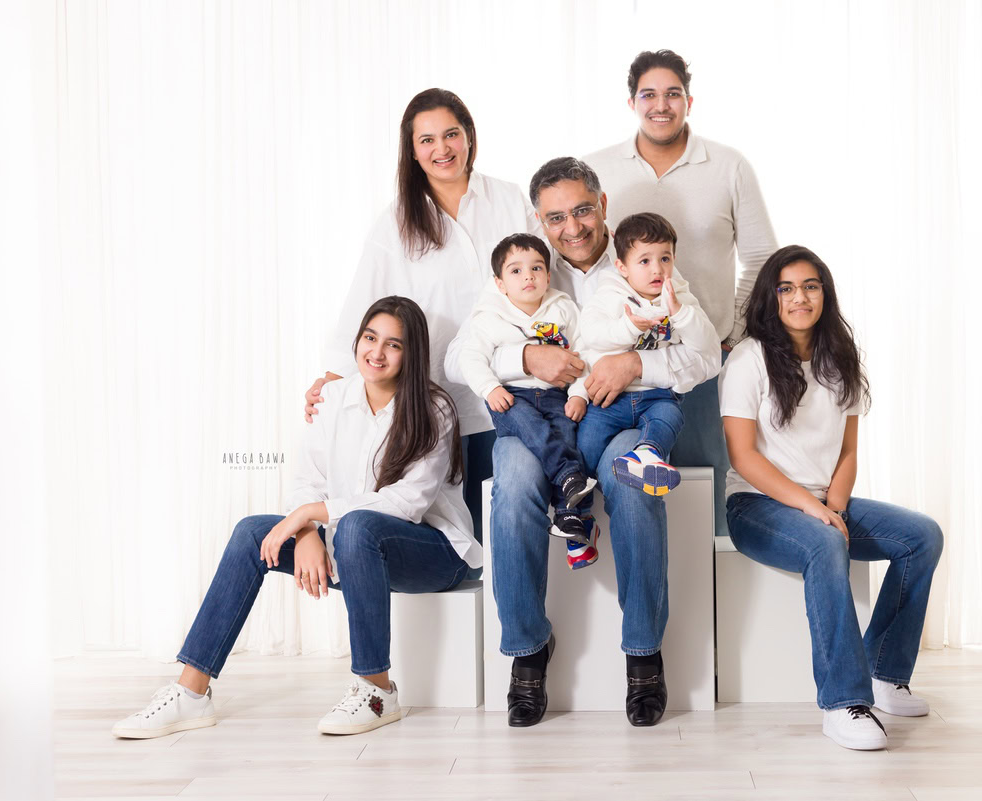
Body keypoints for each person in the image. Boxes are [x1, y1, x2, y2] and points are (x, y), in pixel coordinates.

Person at [113, 297, 479, 739]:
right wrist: (305, 530)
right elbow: (309, 478)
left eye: (393, 345)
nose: (376, 353)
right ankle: (191, 693)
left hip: (434, 553)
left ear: (412, 353)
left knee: (359, 525)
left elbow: (407, 503)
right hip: (352, 544)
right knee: (253, 532)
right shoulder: (333, 397)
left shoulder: (433, 408)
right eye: (369, 338)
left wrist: (310, 515)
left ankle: (377, 691)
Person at [444, 157, 719, 727]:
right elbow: (459, 355)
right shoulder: (525, 269)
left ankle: (643, 652)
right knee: (515, 482)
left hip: (613, 420)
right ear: (538, 221)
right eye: (555, 217)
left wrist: (633, 362)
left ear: (603, 206)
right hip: (539, 422)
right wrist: (524, 356)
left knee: (634, 477)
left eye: (582, 210)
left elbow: (702, 355)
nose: (571, 227)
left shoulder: (646, 265)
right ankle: (527, 651)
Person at [719, 245, 943, 751]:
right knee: (825, 544)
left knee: (921, 536)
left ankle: (886, 672)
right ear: (771, 297)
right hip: (757, 506)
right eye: (787, 288)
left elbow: (847, 451)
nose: (800, 297)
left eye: (810, 286)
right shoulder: (750, 359)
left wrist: (834, 507)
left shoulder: (839, 356)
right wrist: (814, 510)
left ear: (824, 293)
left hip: (824, 503)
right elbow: (744, 456)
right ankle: (843, 702)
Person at [305, 88, 540, 547]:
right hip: (439, 409)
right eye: (426, 140)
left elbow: (546, 281)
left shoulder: (511, 201)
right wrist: (331, 380)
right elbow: (363, 306)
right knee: (458, 540)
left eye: (451, 134)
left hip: (514, 396)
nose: (442, 149)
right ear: (411, 152)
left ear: (469, 136)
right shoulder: (395, 223)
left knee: (516, 539)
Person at [586, 49, 779, 540]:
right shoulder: (598, 169)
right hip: (619, 371)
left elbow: (760, 260)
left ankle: (708, 614)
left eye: (673, 94)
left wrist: (730, 334)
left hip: (699, 364)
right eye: (649, 94)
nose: (661, 105)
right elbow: (578, 255)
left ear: (689, 101)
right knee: (627, 493)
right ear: (631, 101)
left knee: (703, 492)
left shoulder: (729, 166)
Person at [456, 233, 596, 546]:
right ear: (500, 283)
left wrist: (578, 394)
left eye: (536, 268)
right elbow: (470, 358)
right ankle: (569, 476)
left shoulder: (563, 308)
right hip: (511, 396)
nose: (528, 276)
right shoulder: (489, 317)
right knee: (530, 425)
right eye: (516, 271)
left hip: (555, 395)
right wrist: (489, 387)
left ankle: (569, 514)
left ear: (548, 275)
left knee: (566, 432)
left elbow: (584, 353)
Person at [577, 212, 719, 499]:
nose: (658, 269)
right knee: (586, 445)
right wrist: (629, 327)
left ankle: (647, 454)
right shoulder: (609, 295)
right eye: (645, 261)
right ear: (622, 267)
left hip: (657, 396)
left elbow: (706, 346)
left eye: (665, 259)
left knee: (669, 417)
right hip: (609, 400)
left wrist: (680, 313)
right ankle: (575, 510)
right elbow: (592, 335)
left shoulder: (680, 298)